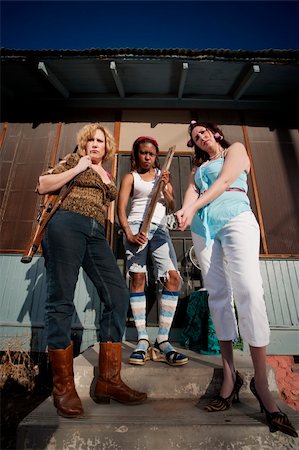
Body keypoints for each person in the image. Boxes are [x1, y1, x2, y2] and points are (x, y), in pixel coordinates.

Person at [176, 120, 297, 437]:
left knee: (249, 292)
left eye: (202, 132)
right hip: (204, 230)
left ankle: (261, 383)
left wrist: (195, 204)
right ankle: (229, 375)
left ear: (214, 133)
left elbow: (227, 179)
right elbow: (190, 195)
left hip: (235, 218)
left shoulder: (235, 150)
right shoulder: (197, 171)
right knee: (217, 296)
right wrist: (184, 212)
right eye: (194, 137)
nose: (199, 138)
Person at [38, 123, 147, 418]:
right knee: (61, 299)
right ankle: (63, 387)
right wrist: (79, 166)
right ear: (85, 144)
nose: (96, 145)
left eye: (101, 141)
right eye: (92, 140)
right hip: (66, 225)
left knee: (117, 294)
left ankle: (108, 382)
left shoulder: (107, 174)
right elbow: (43, 185)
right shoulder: (74, 161)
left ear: (107, 147)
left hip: (96, 233)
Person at [117, 136, 189, 367]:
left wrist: (165, 187)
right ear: (136, 155)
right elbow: (120, 208)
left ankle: (163, 340)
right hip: (137, 228)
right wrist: (128, 233)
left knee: (172, 278)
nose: (147, 157)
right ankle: (142, 339)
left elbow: (170, 205)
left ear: (156, 156)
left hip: (158, 230)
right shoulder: (131, 177)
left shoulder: (162, 176)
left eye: (151, 153)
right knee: (137, 278)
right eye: (143, 153)